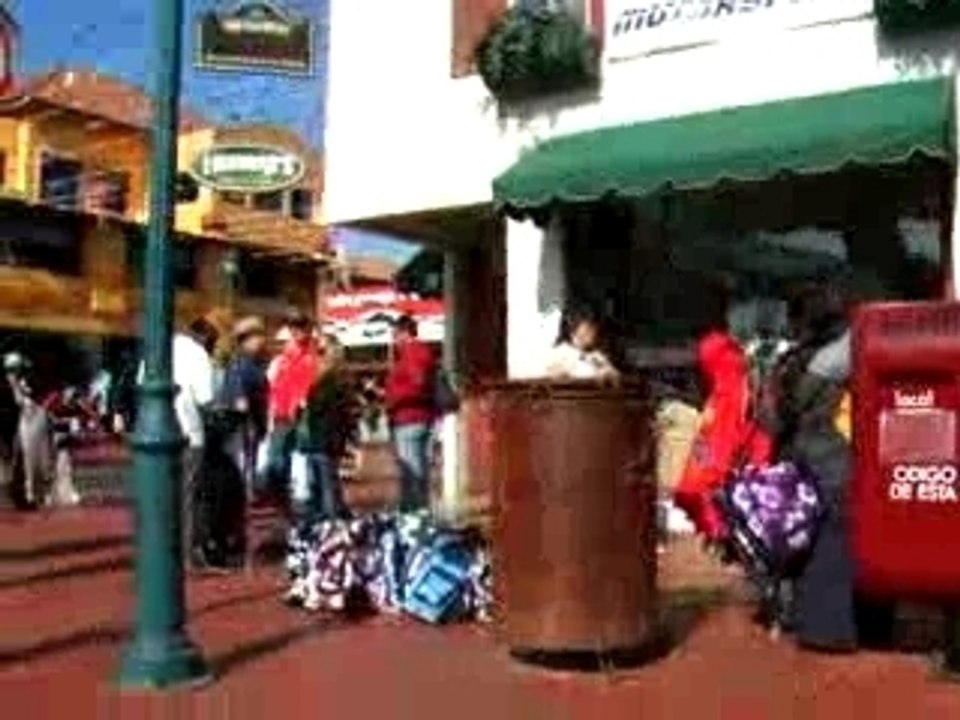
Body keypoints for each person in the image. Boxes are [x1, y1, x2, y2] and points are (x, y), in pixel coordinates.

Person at [765, 283, 893, 652]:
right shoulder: (854, 350)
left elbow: (773, 419)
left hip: (808, 462)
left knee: (818, 546)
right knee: (853, 542)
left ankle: (822, 629)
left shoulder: (793, 363)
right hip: (849, 462)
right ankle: (859, 629)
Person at [675, 283, 771, 547]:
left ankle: (716, 525)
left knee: (710, 461)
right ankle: (719, 526)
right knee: (716, 462)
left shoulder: (717, 346)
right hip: (728, 408)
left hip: (722, 408)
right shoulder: (722, 346)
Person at [214, 316, 269, 566]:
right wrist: (254, 423)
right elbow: (240, 403)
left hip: (247, 430)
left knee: (242, 484)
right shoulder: (241, 366)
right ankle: (236, 536)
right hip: (241, 430)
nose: (261, 340)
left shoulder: (252, 364)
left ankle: (236, 534)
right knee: (240, 484)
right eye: (257, 336)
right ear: (246, 340)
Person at [291, 335, 356, 531]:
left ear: (331, 354)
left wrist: (305, 403)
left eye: (321, 351)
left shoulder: (334, 379)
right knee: (320, 485)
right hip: (318, 439)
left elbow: (332, 411)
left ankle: (332, 527)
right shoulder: (327, 378)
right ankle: (326, 525)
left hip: (324, 439)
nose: (316, 356)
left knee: (326, 486)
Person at [170, 317, 219, 569]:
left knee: (163, 494)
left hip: (157, 431)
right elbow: (205, 398)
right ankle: (187, 553)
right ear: (206, 339)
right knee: (188, 494)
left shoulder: (161, 347)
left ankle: (162, 548)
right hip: (189, 431)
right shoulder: (199, 354)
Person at [260, 309, 320, 504]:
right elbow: (274, 384)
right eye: (293, 327)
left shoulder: (315, 354)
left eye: (300, 326)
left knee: (305, 456)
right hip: (282, 414)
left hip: (304, 414)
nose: (296, 331)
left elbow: (315, 383)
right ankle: (279, 497)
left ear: (308, 329)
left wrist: (303, 402)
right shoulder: (284, 356)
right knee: (276, 458)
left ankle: (308, 497)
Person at [384, 315, 437, 512]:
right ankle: (414, 510)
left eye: (395, 335)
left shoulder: (413, 352)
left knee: (412, 470)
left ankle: (416, 511)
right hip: (412, 417)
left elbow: (418, 382)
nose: (394, 341)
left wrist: (395, 397)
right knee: (414, 468)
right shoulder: (417, 353)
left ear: (404, 333)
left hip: (410, 417)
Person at [545, 307, 620, 381]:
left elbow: (612, 373)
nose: (594, 335)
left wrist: (606, 372)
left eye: (595, 331)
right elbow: (554, 374)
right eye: (587, 332)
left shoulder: (596, 355)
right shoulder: (559, 354)